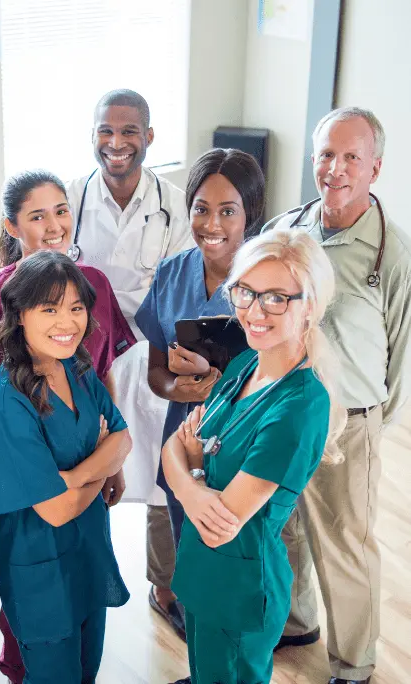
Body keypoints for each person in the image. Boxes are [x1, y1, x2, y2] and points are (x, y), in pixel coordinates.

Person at [0, 169, 136, 684]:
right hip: (39, 565)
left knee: (87, 667)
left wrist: (75, 477)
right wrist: (98, 467)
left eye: (77, 308)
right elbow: (55, 512)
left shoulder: (78, 368)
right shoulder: (8, 404)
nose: (68, 321)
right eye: (50, 310)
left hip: (86, 552)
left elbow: (122, 435)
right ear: (17, 316)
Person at [263, 107, 411, 684]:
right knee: (288, 525)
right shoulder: (287, 231)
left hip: (349, 419)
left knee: (345, 543)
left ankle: (355, 662)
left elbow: (402, 350)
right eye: (327, 153)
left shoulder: (391, 253)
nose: (337, 168)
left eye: (352, 157)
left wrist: (371, 420)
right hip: (285, 408)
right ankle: (297, 622)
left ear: (375, 167)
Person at [163, 228, 343, 684]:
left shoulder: (300, 405)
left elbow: (221, 521)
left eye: (277, 298)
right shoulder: (247, 364)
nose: (254, 311)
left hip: (241, 587)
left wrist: (188, 476)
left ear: (310, 306)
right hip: (205, 573)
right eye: (245, 292)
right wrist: (193, 488)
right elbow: (173, 446)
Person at [67, 89, 193, 637]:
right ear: (92, 134)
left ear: (149, 136)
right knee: (91, 469)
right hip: (84, 360)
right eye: (105, 131)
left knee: (165, 474)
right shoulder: (69, 199)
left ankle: (163, 585)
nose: (116, 144)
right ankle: (81, 578)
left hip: (150, 352)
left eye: (128, 131)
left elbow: (185, 277)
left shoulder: (174, 200)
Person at [136, 148, 266, 549]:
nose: (212, 224)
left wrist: (221, 387)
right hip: (184, 447)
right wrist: (178, 390)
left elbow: (285, 380)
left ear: (251, 214)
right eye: (201, 209)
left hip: (248, 451)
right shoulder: (172, 273)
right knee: (189, 557)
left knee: (241, 564)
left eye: (228, 211)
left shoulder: (269, 280)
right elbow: (156, 371)